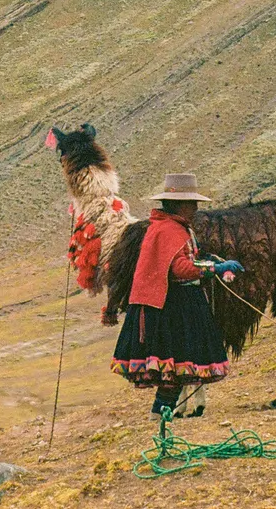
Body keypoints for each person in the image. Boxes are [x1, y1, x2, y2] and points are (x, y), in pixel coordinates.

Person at [110, 172, 244, 415]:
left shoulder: (172, 228)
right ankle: (160, 418)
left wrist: (207, 260)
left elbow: (184, 259)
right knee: (172, 368)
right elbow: (179, 269)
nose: (195, 209)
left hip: (175, 305)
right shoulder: (169, 230)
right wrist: (215, 269)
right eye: (191, 204)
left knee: (175, 370)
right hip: (171, 309)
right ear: (179, 205)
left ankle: (163, 417)